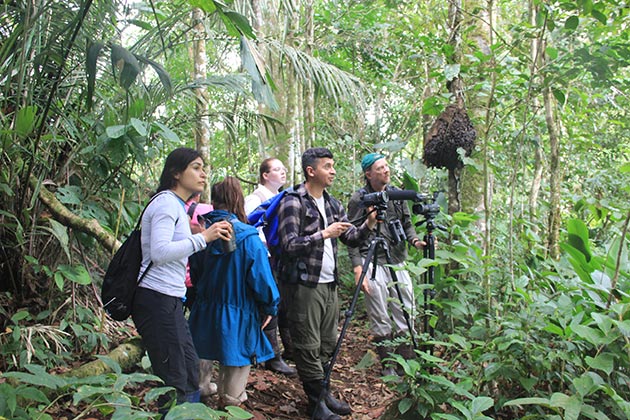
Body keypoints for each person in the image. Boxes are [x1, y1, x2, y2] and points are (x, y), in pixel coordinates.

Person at [276, 147, 377, 420]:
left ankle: (323, 393)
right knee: (307, 345)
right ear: (311, 171)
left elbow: (351, 238)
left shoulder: (332, 203)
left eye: (333, 166)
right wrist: (323, 234)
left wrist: (368, 224)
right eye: (328, 166)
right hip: (304, 284)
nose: (333, 171)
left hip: (329, 283)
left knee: (327, 343)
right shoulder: (293, 201)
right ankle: (315, 404)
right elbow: (288, 245)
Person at [131, 147, 232, 414]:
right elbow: (160, 252)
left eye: (204, 168)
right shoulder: (166, 203)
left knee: (188, 372)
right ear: (176, 173)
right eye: (196, 167)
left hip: (170, 299)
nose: (203, 174)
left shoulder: (176, 206)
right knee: (177, 378)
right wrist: (203, 238)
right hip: (156, 298)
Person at [188, 177, 280, 408]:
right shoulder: (248, 237)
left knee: (201, 360)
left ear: (215, 201)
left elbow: (194, 273)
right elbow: (261, 279)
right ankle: (229, 406)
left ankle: (200, 403)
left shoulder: (200, 231)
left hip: (203, 308)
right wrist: (269, 306)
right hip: (238, 312)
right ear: (238, 199)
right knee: (236, 364)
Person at [346, 153, 424, 376]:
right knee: (379, 313)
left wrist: (416, 241)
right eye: (380, 168)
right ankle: (388, 364)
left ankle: (406, 363)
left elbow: (407, 224)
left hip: (397, 260)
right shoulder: (359, 199)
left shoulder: (396, 195)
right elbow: (351, 235)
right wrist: (357, 266)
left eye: (387, 166)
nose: (386, 171)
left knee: (406, 309)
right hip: (372, 261)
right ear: (368, 174)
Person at [244, 157, 296, 377]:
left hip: (281, 258)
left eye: (283, 169)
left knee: (284, 302)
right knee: (270, 303)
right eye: (276, 169)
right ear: (265, 175)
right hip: (265, 257)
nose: (282, 172)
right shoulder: (255, 199)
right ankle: (272, 356)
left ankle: (290, 350)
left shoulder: (281, 197)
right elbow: (250, 226)